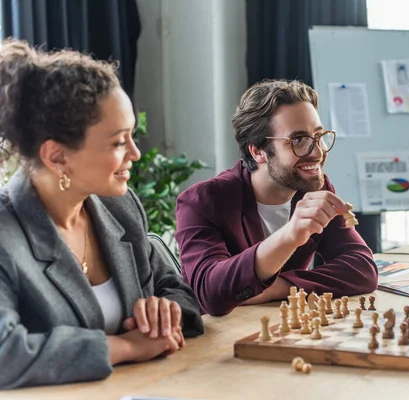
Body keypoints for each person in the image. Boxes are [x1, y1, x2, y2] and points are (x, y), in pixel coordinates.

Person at [0, 39, 204, 389]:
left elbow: (176, 288)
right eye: (119, 142)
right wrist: (122, 346)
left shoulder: (119, 207)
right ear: (57, 157)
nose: (136, 154)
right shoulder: (6, 236)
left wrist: (164, 312)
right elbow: (6, 354)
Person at [175, 79, 378, 316]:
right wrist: (290, 235)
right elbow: (210, 293)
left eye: (319, 135)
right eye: (299, 140)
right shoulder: (202, 201)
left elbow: (362, 269)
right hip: (216, 342)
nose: (318, 152)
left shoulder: (313, 189)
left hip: (281, 330)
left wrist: (274, 289)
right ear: (258, 151)